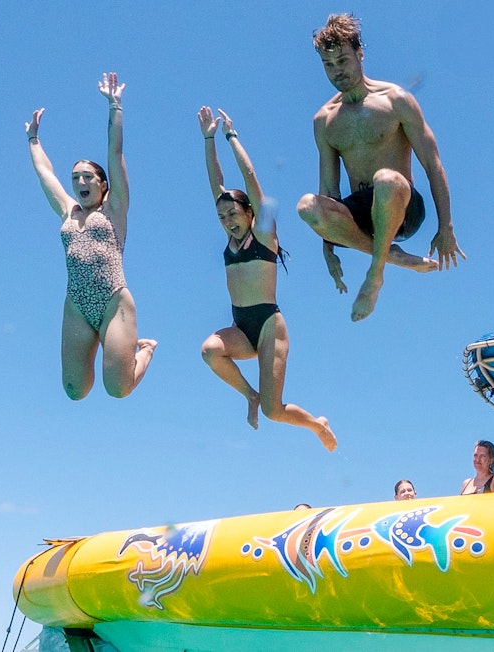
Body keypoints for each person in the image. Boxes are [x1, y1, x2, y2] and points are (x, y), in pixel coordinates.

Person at [295, 13, 464, 322]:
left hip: (402, 204)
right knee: (307, 206)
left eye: (343, 61)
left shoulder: (396, 100)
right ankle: (390, 254)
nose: (337, 72)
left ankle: (375, 275)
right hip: (360, 213)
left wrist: (446, 226)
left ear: (360, 53)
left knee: (385, 179)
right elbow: (329, 191)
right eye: (328, 65)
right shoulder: (324, 120)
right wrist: (328, 247)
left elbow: (433, 164)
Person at [197, 106, 336, 452]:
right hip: (241, 327)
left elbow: (249, 176)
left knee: (275, 412)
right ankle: (250, 395)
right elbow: (216, 182)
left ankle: (317, 425)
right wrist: (207, 139)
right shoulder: (231, 240)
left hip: (270, 327)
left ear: (250, 213)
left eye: (233, 213)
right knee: (210, 351)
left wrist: (230, 137)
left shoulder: (262, 235)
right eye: (221, 216)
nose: (227, 219)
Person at [25, 72, 157, 400]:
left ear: (102, 183)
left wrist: (115, 106)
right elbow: (45, 174)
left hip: (113, 299)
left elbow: (115, 154)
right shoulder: (68, 211)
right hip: (77, 304)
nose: (80, 182)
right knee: (74, 390)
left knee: (118, 388)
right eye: (75, 178)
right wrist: (33, 140)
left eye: (87, 176)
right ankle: (98, 342)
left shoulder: (115, 208)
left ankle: (147, 350)